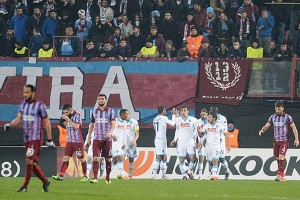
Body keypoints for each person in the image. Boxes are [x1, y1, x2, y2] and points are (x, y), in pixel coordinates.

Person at [4, 84, 54, 192]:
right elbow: (18, 119)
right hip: (26, 138)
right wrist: (9, 124)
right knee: (32, 164)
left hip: (35, 138)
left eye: (27, 92)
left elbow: (46, 122)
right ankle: (45, 182)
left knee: (28, 160)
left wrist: (49, 139)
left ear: (33, 93)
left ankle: (24, 187)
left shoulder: (40, 105)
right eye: (24, 92)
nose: (25, 94)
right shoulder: (22, 104)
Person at [259, 101, 299, 181]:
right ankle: (282, 175)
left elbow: (294, 128)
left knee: (281, 156)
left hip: (284, 140)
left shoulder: (287, 117)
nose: (277, 110)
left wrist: (296, 139)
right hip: (276, 141)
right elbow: (267, 125)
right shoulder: (273, 117)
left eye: (279, 109)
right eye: (276, 109)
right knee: (277, 157)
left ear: (282, 108)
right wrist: (262, 130)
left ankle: (279, 175)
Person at [52, 104, 88, 182]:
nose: (65, 114)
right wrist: (67, 135)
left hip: (78, 141)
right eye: (64, 112)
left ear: (71, 110)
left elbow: (76, 126)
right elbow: (68, 126)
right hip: (70, 142)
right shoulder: (67, 116)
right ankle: (61, 176)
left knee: (81, 158)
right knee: (65, 158)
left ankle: (85, 175)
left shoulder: (77, 115)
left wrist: (68, 119)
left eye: (67, 112)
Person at [86, 94, 116, 184]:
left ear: (105, 100)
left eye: (102, 99)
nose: (100, 100)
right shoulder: (93, 111)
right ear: (97, 100)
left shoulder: (110, 111)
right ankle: (95, 178)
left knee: (107, 159)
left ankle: (107, 177)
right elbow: (91, 125)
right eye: (99, 99)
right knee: (95, 158)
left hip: (107, 139)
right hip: (96, 139)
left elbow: (114, 124)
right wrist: (88, 137)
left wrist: (110, 132)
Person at [170, 106, 198, 180]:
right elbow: (177, 130)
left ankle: (189, 171)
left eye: (184, 110)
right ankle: (184, 175)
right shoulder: (178, 119)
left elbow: (196, 131)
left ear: (188, 111)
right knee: (181, 159)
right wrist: (175, 140)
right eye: (182, 110)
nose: (183, 112)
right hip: (181, 142)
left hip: (190, 141)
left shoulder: (193, 120)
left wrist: (195, 141)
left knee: (193, 158)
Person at [199, 111, 224, 180]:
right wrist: (198, 131)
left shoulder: (219, 126)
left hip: (216, 146)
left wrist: (226, 145)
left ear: (214, 118)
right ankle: (211, 175)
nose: (208, 118)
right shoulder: (206, 126)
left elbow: (225, 135)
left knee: (215, 160)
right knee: (210, 162)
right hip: (208, 146)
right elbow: (201, 135)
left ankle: (214, 175)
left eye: (209, 117)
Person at [152, 107, 176, 179]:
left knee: (164, 157)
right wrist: (173, 115)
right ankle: (154, 174)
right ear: (163, 111)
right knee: (159, 157)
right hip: (161, 140)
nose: (166, 111)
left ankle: (163, 175)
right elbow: (172, 124)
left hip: (159, 138)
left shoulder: (155, 119)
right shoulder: (163, 118)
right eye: (165, 110)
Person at [210, 106, 230, 180]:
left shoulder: (222, 118)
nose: (211, 112)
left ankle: (227, 171)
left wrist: (227, 144)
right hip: (212, 141)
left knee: (221, 159)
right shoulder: (210, 118)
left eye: (213, 111)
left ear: (216, 111)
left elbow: (225, 131)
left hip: (220, 142)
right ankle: (213, 175)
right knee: (213, 159)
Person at [111, 109, 128, 179]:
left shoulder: (125, 123)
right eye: (126, 114)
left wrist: (124, 143)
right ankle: (123, 174)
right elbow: (109, 129)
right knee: (120, 158)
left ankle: (106, 173)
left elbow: (124, 134)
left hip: (120, 144)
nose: (127, 116)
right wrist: (112, 135)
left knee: (114, 160)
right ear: (122, 114)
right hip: (114, 142)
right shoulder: (115, 121)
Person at [124, 110, 140, 179]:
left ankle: (130, 175)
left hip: (131, 143)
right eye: (125, 114)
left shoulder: (134, 122)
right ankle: (109, 174)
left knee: (131, 159)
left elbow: (137, 133)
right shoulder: (121, 122)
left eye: (128, 114)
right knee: (118, 158)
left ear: (130, 114)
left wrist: (134, 140)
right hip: (123, 143)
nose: (127, 115)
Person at [196, 108, 208, 179]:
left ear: (207, 114)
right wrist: (198, 142)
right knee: (201, 158)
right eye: (202, 114)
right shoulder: (197, 122)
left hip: (209, 142)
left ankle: (211, 174)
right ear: (200, 114)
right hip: (201, 142)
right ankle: (200, 175)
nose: (203, 116)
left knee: (210, 159)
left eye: (204, 114)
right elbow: (197, 133)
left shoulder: (209, 122)